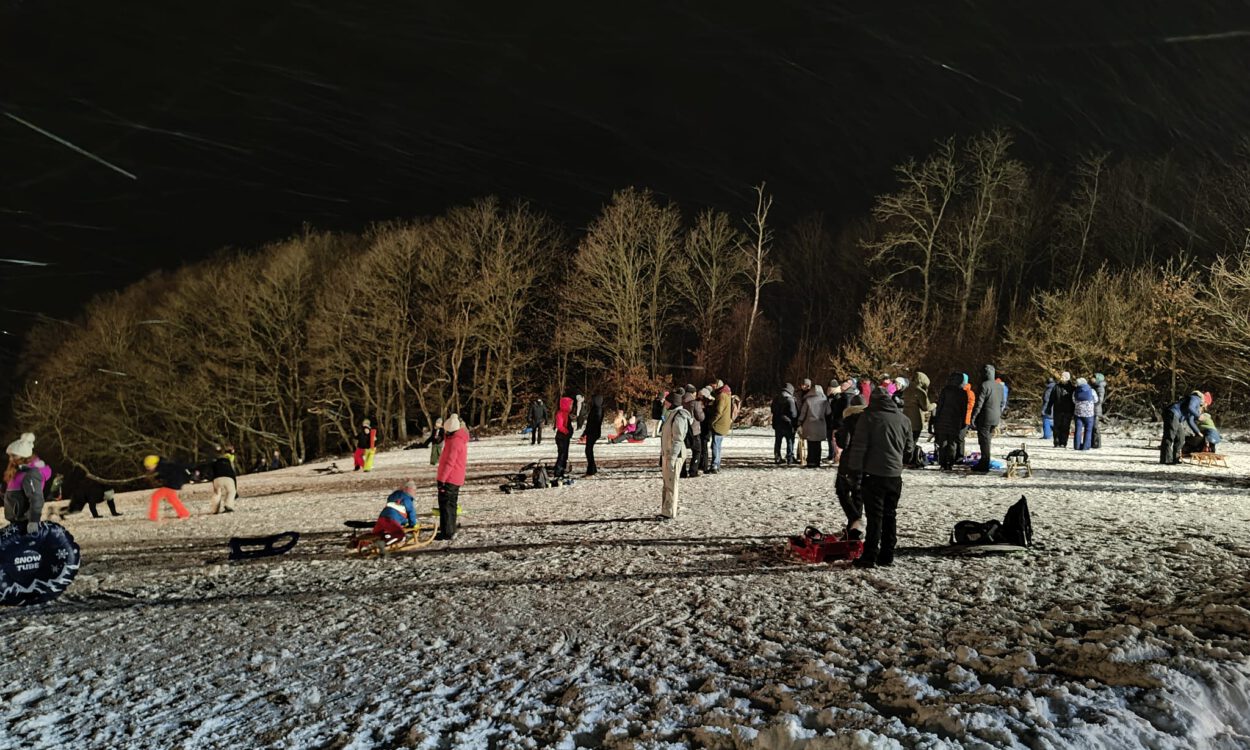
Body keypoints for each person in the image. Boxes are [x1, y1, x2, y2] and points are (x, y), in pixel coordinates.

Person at [844, 387, 914, 568]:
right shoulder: (904, 419)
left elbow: (859, 448)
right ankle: (887, 554)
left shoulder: (868, 418)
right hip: (894, 476)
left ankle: (869, 556)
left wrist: (854, 472)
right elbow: (909, 450)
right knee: (890, 516)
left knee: (875, 518)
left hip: (873, 475)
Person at [835, 395, 868, 539]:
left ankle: (855, 519)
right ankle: (854, 529)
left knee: (841, 490)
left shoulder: (849, 420)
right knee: (857, 493)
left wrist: (837, 435)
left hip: (849, 461)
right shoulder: (870, 420)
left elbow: (844, 443)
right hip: (865, 461)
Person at [4, 433, 48, 534]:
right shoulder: (17, 473)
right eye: (10, 456)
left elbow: (36, 498)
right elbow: (15, 497)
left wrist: (33, 521)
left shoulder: (30, 475)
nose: (10, 459)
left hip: (25, 524)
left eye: (14, 456)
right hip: (15, 523)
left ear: (24, 456)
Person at [659, 390, 693, 519]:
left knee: (672, 483)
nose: (665, 403)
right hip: (668, 454)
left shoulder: (679, 417)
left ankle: (670, 513)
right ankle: (665, 510)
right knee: (667, 484)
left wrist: (672, 458)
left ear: (672, 402)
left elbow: (678, 439)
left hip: (674, 455)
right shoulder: (671, 414)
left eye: (667, 401)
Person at [435, 413, 468, 540]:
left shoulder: (454, 443)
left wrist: (441, 480)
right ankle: (450, 528)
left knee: (446, 506)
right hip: (455, 478)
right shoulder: (458, 439)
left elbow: (449, 463)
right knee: (451, 505)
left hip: (449, 479)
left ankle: (447, 532)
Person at [932, 373, 970, 470]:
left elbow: (940, 405)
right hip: (955, 420)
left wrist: (936, 418)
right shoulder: (963, 393)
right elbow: (964, 409)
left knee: (943, 442)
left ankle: (943, 463)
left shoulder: (945, 390)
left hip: (943, 419)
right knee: (952, 443)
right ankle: (950, 462)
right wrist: (962, 422)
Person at [969, 365, 1003, 473]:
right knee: (987, 440)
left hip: (986, 417)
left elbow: (979, 404)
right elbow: (1002, 403)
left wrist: (973, 417)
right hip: (996, 417)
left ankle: (984, 463)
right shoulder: (1000, 386)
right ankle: (985, 461)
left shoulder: (984, 385)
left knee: (984, 441)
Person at [372, 480, 420, 550]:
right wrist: (413, 524)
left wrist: (404, 522)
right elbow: (411, 513)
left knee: (376, 533)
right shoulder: (407, 499)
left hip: (382, 517)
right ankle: (385, 542)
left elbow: (399, 511)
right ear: (410, 490)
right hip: (392, 519)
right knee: (400, 535)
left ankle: (364, 542)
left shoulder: (394, 496)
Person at [143, 454, 193, 521]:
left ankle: (153, 516)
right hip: (175, 483)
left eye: (148, 466)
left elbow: (171, 473)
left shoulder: (163, 467)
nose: (148, 468)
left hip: (173, 483)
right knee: (172, 499)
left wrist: (158, 477)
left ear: (154, 464)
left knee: (155, 496)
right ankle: (184, 513)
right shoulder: (163, 466)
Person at [900, 371, 934, 467]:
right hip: (916, 421)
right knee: (912, 442)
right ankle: (909, 460)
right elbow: (926, 407)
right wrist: (934, 405)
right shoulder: (919, 391)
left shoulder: (906, 389)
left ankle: (903, 459)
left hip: (905, 419)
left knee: (905, 441)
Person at [1161, 391, 1204, 465]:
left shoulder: (1194, 406)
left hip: (1177, 418)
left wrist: (1198, 432)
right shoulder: (1196, 398)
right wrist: (1198, 416)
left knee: (1181, 438)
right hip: (1173, 413)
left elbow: (1190, 421)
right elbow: (1190, 407)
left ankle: (1176, 458)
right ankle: (1166, 459)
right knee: (1170, 436)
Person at [798, 383, 829, 468]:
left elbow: (803, 413)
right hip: (820, 425)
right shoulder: (824, 400)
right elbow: (828, 412)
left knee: (810, 444)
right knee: (818, 444)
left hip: (809, 425)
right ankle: (817, 461)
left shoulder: (808, 400)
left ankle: (811, 461)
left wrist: (799, 422)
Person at [771, 383, 798, 465]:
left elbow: (772, 410)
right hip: (788, 424)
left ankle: (777, 456)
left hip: (777, 423)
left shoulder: (776, 398)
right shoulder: (790, 399)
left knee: (778, 441)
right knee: (790, 441)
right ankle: (789, 457)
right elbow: (793, 413)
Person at [710, 380, 733, 472]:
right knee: (718, 445)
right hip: (725, 423)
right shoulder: (727, 394)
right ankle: (717, 464)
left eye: (714, 385)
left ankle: (714, 465)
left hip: (719, 424)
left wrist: (712, 421)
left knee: (715, 445)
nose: (713, 387)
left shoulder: (721, 396)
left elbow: (719, 411)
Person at [208, 445, 238, 514]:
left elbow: (211, 472)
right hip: (228, 477)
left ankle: (214, 509)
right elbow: (233, 473)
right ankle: (228, 506)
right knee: (231, 491)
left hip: (217, 478)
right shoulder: (229, 461)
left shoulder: (215, 462)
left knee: (217, 493)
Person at [681, 389, 704, 477]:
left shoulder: (680, 401)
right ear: (693, 393)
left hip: (682, 431)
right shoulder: (695, 403)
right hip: (694, 431)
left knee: (682, 452)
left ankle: (682, 471)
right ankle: (693, 471)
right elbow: (700, 417)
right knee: (697, 451)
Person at [1050, 372, 1076, 449]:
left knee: (1065, 427)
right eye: (1061, 376)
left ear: (1067, 378)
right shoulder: (1056, 387)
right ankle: (1056, 442)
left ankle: (1063, 442)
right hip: (1057, 410)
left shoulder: (1072, 388)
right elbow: (1051, 398)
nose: (1061, 378)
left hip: (1068, 411)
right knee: (1057, 427)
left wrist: (1074, 411)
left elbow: (1074, 400)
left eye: (1063, 377)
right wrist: (1048, 408)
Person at [1072, 377, 1098, 451]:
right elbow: (1096, 400)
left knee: (1078, 430)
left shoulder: (1075, 391)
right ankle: (1086, 446)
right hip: (1089, 413)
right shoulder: (1091, 390)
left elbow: (1073, 400)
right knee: (1088, 430)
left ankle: (1077, 446)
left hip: (1078, 413)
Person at [553, 396, 574, 478]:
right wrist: (567, 431)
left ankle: (561, 471)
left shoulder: (566, 414)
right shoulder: (560, 413)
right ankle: (558, 471)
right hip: (561, 437)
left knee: (565, 455)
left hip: (565, 437)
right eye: (570, 405)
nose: (571, 407)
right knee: (562, 455)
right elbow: (559, 426)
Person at [583, 395, 604, 476]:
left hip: (593, 432)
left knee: (588, 451)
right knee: (588, 451)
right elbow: (590, 422)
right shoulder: (595, 408)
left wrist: (587, 431)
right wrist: (585, 432)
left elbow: (594, 422)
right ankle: (592, 469)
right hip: (591, 432)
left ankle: (591, 470)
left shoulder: (598, 409)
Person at [697, 387, 715, 473]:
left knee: (704, 448)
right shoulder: (705, 404)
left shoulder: (709, 405)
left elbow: (708, 418)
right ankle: (701, 464)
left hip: (705, 428)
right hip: (702, 428)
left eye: (700, 395)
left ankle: (704, 465)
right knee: (701, 447)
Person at [1091, 373, 1107, 449]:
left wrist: (1092, 403)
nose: (1092, 379)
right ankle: (1093, 443)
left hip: (1096, 409)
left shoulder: (1100, 387)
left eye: (1094, 377)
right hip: (1092, 409)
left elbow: (1100, 400)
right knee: (1092, 427)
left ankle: (1097, 443)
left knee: (1095, 427)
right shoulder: (1094, 386)